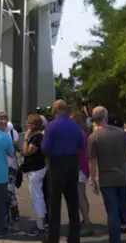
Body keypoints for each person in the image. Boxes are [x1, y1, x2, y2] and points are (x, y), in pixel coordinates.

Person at [88, 106, 126, 243]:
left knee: (112, 212)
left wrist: (93, 179)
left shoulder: (93, 137)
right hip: (123, 177)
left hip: (107, 180)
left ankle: (115, 240)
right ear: (106, 117)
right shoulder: (120, 133)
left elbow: (92, 161)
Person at [41, 100, 83, 243]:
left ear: (55, 110)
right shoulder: (76, 126)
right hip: (72, 162)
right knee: (73, 201)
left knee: (54, 202)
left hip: (57, 164)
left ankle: (53, 238)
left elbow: (45, 147)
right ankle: (74, 236)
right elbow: (80, 145)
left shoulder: (51, 126)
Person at [22, 113, 47, 237]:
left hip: (35, 169)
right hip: (37, 168)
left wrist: (26, 138)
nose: (26, 124)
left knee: (36, 196)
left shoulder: (37, 138)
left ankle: (40, 225)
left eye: (28, 122)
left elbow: (27, 152)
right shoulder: (39, 136)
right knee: (37, 196)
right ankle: (41, 222)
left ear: (33, 125)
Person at [71, 111, 94, 236]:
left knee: (80, 196)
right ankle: (86, 219)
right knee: (82, 195)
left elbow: (76, 150)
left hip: (79, 167)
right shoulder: (85, 133)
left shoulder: (79, 134)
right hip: (83, 166)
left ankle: (86, 222)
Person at [0, 112, 21, 231]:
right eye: (0, 119)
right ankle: (5, 220)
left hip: (11, 166)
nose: (3, 121)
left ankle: (15, 220)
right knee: (1, 195)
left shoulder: (13, 132)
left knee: (10, 193)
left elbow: (14, 150)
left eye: (4, 119)